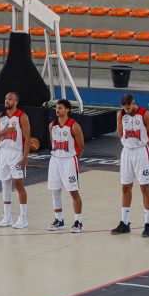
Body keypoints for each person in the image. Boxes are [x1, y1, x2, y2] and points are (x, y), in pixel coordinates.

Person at [111, 94, 149, 237]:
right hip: (127, 152)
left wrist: (146, 151)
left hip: (141, 151)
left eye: (129, 108)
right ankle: (125, 223)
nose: (127, 110)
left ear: (133, 103)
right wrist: (127, 143)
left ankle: (148, 225)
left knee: (145, 187)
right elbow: (120, 133)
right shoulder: (121, 115)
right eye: (125, 108)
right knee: (125, 187)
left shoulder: (145, 115)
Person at [0, 92, 30, 229]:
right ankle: (7, 217)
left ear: (16, 102)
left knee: (19, 185)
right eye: (6, 98)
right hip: (3, 153)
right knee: (5, 184)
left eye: (10, 99)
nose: (7, 100)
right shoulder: (0, 117)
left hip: (17, 153)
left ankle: (23, 218)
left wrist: (25, 158)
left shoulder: (22, 116)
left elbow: (28, 139)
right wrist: (3, 132)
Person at [47, 99, 85, 233]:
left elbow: (81, 146)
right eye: (56, 108)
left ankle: (78, 221)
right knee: (55, 191)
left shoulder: (74, 126)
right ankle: (59, 220)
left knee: (73, 191)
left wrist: (75, 160)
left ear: (67, 110)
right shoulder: (52, 125)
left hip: (69, 160)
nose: (57, 110)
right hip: (55, 159)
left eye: (60, 108)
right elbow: (52, 142)